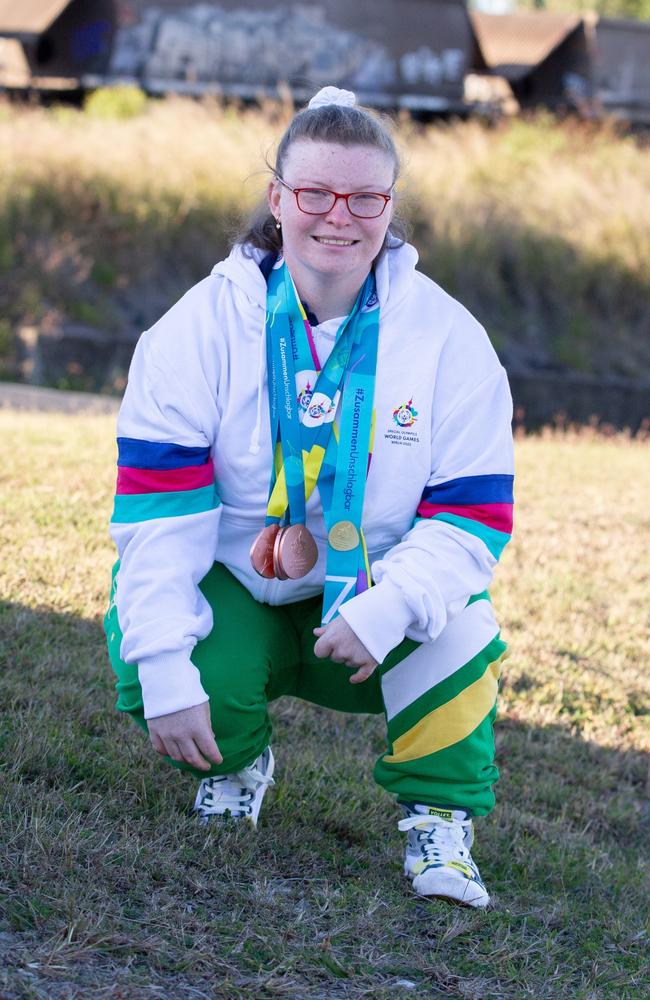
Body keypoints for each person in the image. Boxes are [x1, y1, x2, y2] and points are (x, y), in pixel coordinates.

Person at [105, 86, 514, 909]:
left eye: (365, 197)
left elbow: (473, 514)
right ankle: (237, 763)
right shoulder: (198, 327)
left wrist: (393, 605)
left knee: (461, 626)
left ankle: (440, 820)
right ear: (277, 199)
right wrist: (159, 660)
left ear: (389, 206)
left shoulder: (449, 337)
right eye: (315, 193)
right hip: (242, 587)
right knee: (170, 658)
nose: (340, 216)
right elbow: (160, 517)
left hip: (369, 595)